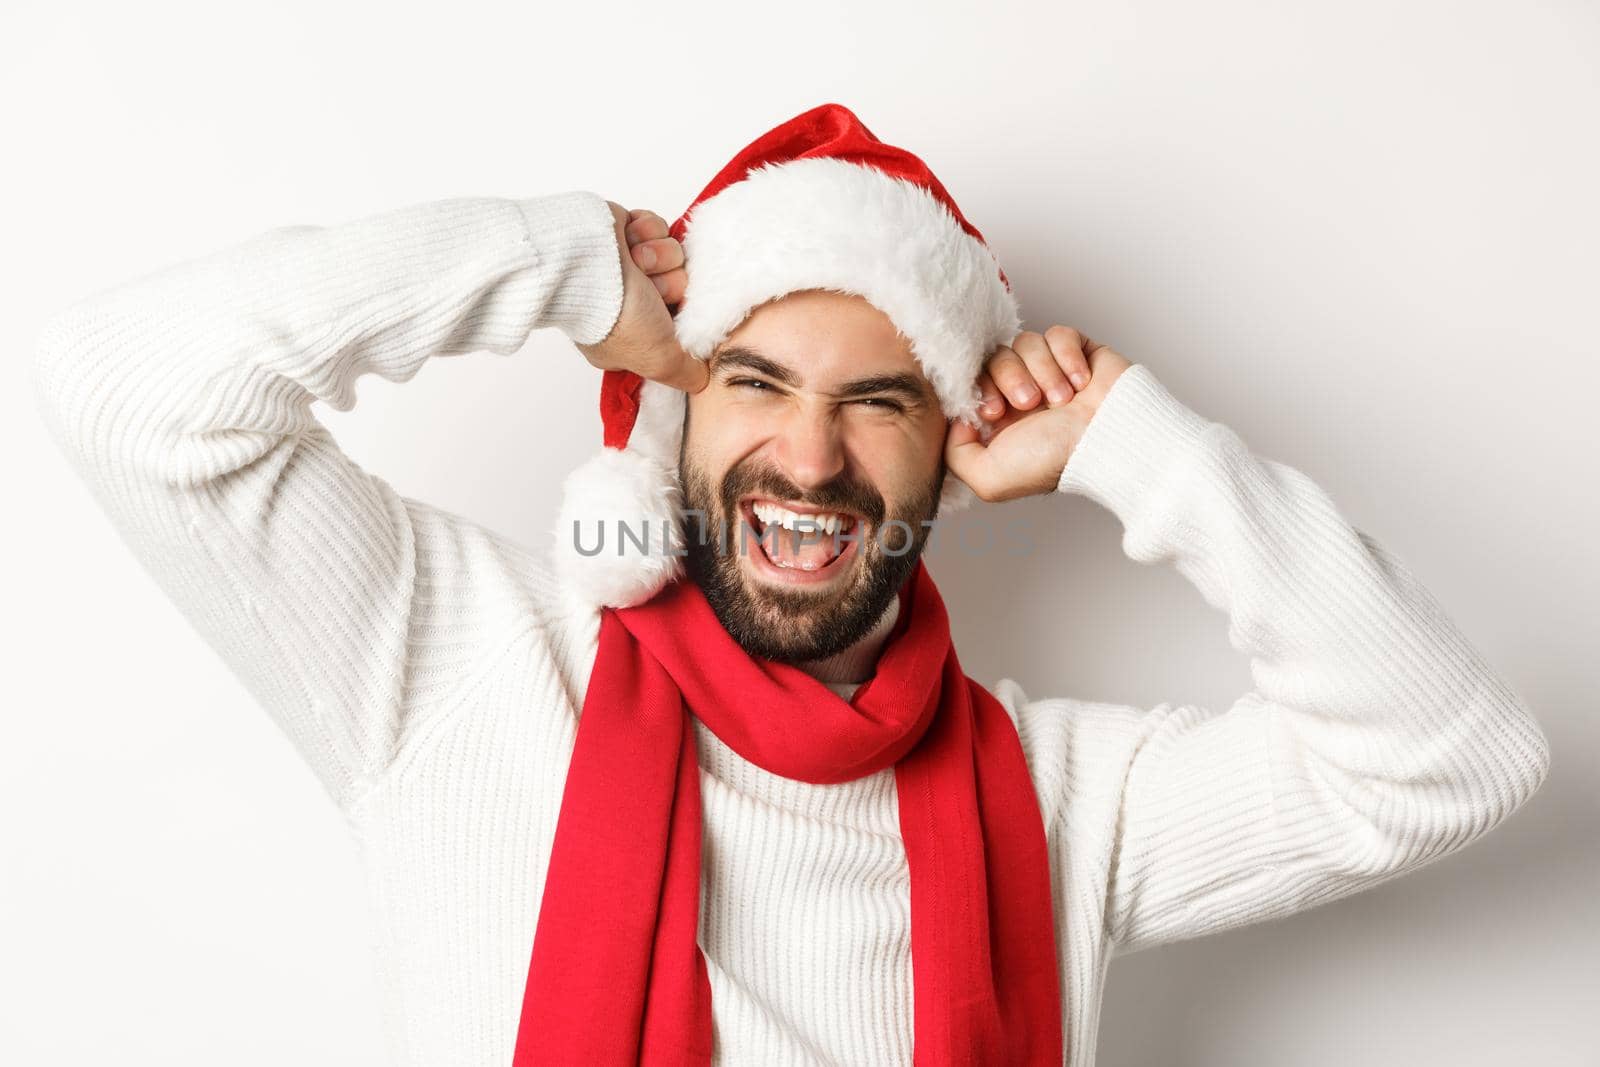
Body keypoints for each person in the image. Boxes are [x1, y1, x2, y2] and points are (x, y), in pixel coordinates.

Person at [30, 103, 1550, 1066]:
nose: (809, 459)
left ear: (952, 449)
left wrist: (1141, 452)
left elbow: (1454, 759)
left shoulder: (1066, 801)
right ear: (680, 418)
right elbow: (124, 392)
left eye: (880, 400)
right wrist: (560, 265)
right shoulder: (453, 664)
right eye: (757, 381)